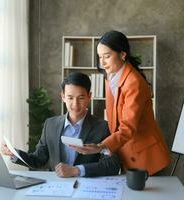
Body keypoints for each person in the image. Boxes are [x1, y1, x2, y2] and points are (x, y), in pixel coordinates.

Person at [72, 31, 171, 176]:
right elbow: (114, 120)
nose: (102, 62)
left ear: (123, 55)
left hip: (146, 157)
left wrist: (101, 146)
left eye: (107, 56)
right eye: (100, 57)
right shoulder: (110, 76)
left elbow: (127, 128)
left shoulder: (134, 82)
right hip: (126, 153)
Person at [1, 72, 120, 177]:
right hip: (57, 187)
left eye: (81, 98)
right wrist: (15, 154)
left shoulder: (103, 127)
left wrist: (76, 170)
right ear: (63, 97)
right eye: (70, 98)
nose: (75, 104)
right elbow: (38, 159)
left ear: (89, 96)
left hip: (87, 187)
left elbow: (112, 165)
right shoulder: (50, 125)